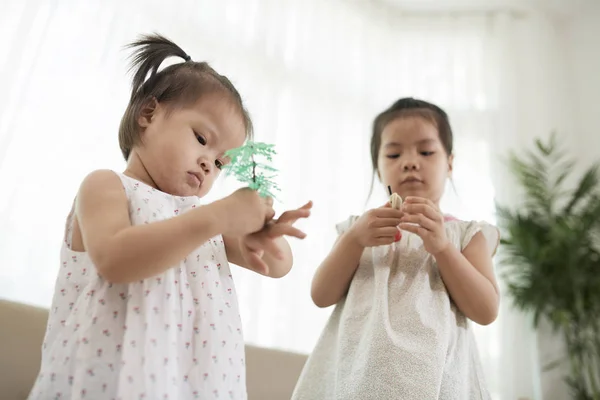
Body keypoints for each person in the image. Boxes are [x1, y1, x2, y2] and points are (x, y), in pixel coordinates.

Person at [29, 33, 311, 400]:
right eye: (201, 138)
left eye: (223, 162)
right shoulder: (107, 186)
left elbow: (277, 266)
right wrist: (218, 216)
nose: (210, 163)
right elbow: (115, 259)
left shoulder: (202, 218)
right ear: (149, 113)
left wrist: (266, 233)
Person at [292, 98, 499, 399]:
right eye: (393, 153)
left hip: (439, 381)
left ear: (450, 163)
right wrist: (353, 240)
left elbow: (486, 310)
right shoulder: (357, 229)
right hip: (359, 378)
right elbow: (321, 294)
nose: (410, 162)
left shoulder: (465, 234)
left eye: (426, 151)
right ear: (378, 167)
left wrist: (442, 248)